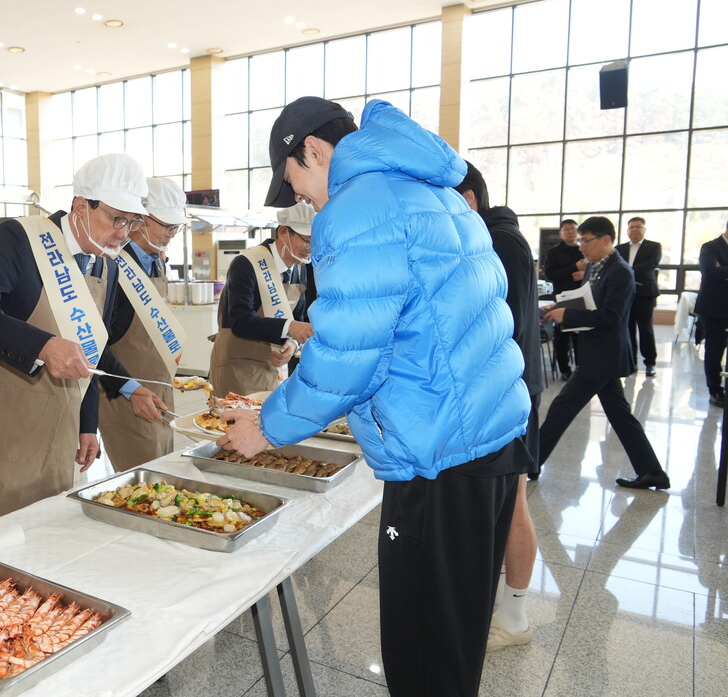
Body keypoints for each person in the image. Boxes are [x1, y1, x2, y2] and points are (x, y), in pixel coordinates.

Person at [218, 97, 531, 697]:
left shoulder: (358, 209)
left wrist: (268, 428)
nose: (306, 203)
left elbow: (350, 354)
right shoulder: (432, 192)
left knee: (420, 656)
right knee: (455, 643)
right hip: (487, 442)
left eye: (297, 185)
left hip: (435, 460)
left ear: (311, 149)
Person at [0, 154, 166, 527]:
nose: (124, 233)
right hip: (4, 423)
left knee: (46, 536)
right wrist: (42, 345)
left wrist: (87, 424)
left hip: (60, 428)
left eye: (132, 222)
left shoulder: (107, 264)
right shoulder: (22, 238)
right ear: (80, 206)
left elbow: (92, 347)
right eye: (116, 218)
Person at [456, 161, 543, 652]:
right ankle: (500, 604)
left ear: (467, 200)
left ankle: (515, 615)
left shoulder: (501, 243)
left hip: (510, 393)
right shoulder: (496, 237)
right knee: (502, 505)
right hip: (503, 390)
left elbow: (495, 325)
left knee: (513, 505)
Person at [539, 216, 670, 490]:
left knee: (561, 408)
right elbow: (588, 302)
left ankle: (530, 464)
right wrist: (556, 309)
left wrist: (568, 315)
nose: (581, 248)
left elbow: (612, 316)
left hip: (603, 355)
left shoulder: (621, 271)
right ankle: (652, 471)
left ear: (606, 240)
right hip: (597, 353)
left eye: (586, 241)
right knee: (620, 416)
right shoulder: (596, 267)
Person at [98, 177, 189, 470]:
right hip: (127, 392)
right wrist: (128, 388)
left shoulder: (157, 262)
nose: (171, 235)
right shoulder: (111, 263)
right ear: (140, 219)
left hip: (159, 384)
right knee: (143, 476)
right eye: (167, 226)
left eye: (177, 228)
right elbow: (97, 340)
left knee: (164, 463)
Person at [208, 201, 315, 396]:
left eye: (315, 241)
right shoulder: (247, 264)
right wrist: (290, 327)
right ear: (283, 232)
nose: (310, 248)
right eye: (306, 240)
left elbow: (299, 318)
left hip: (271, 367)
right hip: (237, 366)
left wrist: (292, 344)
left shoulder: (300, 269)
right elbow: (241, 321)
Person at [617, 217, 661, 377]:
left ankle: (650, 363)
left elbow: (651, 264)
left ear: (644, 230)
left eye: (638, 227)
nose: (634, 230)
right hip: (625, 295)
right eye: (631, 227)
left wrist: (627, 270)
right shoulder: (619, 249)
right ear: (627, 231)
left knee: (645, 329)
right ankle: (631, 362)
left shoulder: (654, 247)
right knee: (627, 329)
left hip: (645, 294)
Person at [542, 219, 584, 379]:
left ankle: (581, 368)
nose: (571, 232)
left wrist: (583, 274)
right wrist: (574, 268)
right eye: (566, 229)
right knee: (563, 336)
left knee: (580, 335)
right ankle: (565, 369)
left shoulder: (583, 249)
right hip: (563, 297)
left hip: (582, 297)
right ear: (561, 233)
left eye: (573, 229)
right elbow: (551, 275)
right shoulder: (555, 252)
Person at [694, 220, 728, 408]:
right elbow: (710, 272)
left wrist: (722, 270)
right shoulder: (711, 247)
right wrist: (718, 272)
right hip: (714, 309)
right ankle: (715, 391)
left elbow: (719, 272)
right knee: (715, 351)